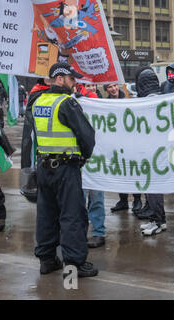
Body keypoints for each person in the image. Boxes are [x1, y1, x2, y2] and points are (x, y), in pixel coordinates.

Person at [32, 62, 97, 277]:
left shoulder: (38, 101)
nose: (74, 82)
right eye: (71, 79)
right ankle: (75, 264)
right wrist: (83, 157)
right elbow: (87, 136)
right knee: (72, 215)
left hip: (43, 167)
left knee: (46, 214)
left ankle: (47, 259)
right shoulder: (67, 103)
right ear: (59, 79)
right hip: (65, 168)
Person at [133, 67, 167, 235]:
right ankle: (158, 219)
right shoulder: (162, 98)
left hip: (151, 151)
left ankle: (158, 221)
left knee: (153, 188)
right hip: (158, 150)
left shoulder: (146, 102)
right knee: (153, 188)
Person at [75, 83, 106, 248]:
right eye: (87, 85)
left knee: (96, 198)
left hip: (95, 158)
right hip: (77, 158)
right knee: (77, 198)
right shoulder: (71, 102)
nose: (91, 88)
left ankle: (98, 232)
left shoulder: (98, 103)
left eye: (92, 85)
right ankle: (80, 231)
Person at [104, 83, 143, 214]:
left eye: (115, 86)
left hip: (130, 142)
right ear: (106, 90)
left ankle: (137, 199)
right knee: (120, 171)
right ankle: (123, 200)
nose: (113, 89)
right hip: (115, 143)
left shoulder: (127, 99)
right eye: (109, 87)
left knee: (133, 170)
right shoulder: (104, 103)